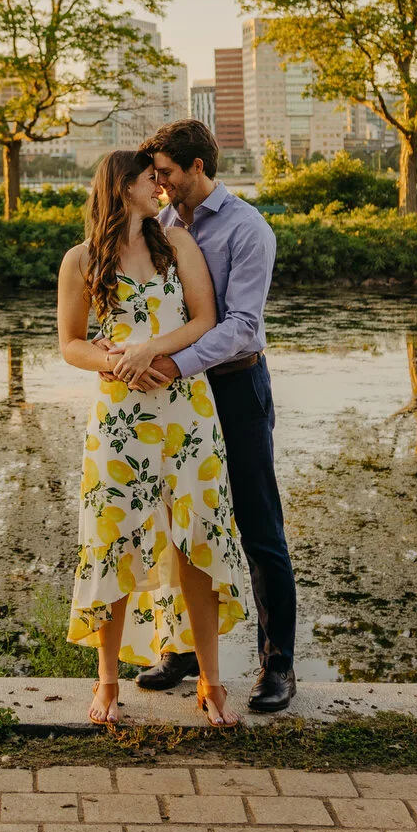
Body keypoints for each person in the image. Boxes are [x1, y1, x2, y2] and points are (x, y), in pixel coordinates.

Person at [56, 147, 257, 727]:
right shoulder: (82, 260)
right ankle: (107, 683)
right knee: (113, 541)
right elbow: (70, 343)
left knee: (195, 539)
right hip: (120, 421)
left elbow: (204, 321)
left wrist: (152, 350)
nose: (161, 187)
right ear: (122, 189)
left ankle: (212, 684)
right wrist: (116, 360)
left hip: (186, 416)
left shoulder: (179, 246)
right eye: (151, 179)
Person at [130, 117, 297, 714]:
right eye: (156, 176)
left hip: (235, 387)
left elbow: (242, 326)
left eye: (168, 173)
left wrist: (175, 363)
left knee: (259, 528)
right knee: (179, 522)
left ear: (197, 167)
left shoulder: (249, 229)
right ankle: (181, 652)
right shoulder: (162, 224)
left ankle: (277, 666)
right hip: (177, 399)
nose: (161, 184)